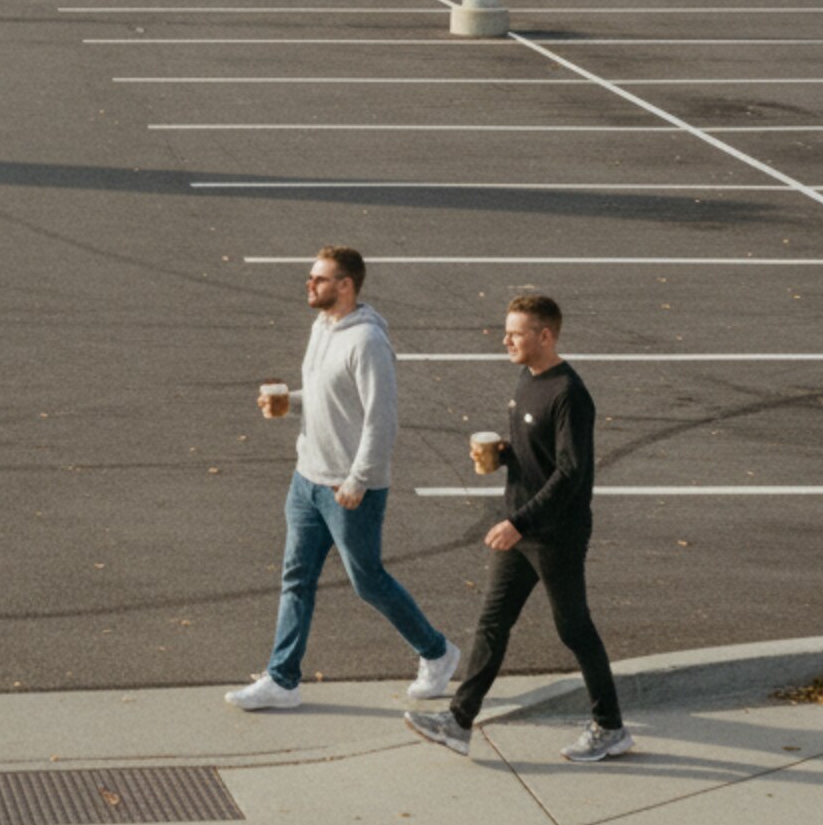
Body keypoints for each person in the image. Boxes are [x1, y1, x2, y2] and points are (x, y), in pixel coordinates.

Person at [227, 247, 458, 714]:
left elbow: (381, 419)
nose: (309, 284)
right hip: (307, 480)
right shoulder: (322, 327)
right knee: (296, 578)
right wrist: (290, 403)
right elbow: (326, 396)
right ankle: (282, 679)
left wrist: (358, 479)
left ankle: (437, 652)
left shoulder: (367, 341)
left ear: (346, 285)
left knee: (367, 580)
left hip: (348, 487)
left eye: (319, 278)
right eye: (311, 277)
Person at [404, 293, 630, 764]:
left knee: (574, 629)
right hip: (520, 528)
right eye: (505, 332)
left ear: (544, 336)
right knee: (492, 623)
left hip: (555, 534)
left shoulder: (569, 393)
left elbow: (569, 472)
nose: (505, 340)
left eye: (515, 333)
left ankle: (610, 727)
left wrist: (518, 522)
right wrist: (505, 454)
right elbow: (538, 452)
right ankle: (459, 722)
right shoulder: (528, 378)